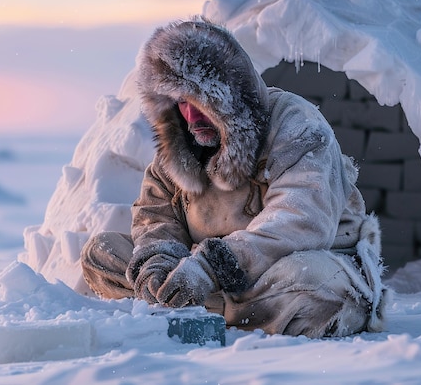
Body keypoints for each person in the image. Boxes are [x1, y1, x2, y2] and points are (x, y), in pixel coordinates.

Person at [81, 17, 389, 338]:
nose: (192, 116)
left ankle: (203, 310)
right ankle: (232, 311)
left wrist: (213, 267)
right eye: (183, 102)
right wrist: (159, 264)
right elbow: (155, 215)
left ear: (231, 96)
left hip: (288, 267)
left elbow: (301, 221)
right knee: (101, 253)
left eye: (203, 101)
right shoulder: (180, 139)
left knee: (320, 291)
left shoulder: (297, 126)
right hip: (202, 276)